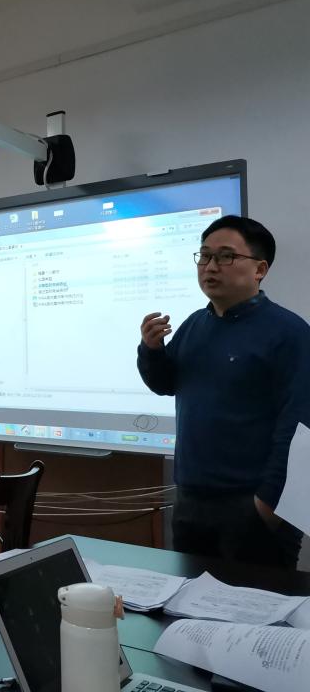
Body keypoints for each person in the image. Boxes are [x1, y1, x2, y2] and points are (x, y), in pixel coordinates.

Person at [137, 215, 310, 568]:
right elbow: (165, 384)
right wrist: (151, 351)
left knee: (254, 603)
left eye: (226, 256)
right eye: (204, 256)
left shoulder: (289, 333)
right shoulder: (195, 324)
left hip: (253, 505)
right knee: (189, 599)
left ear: (260, 269)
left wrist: (267, 506)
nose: (211, 266)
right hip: (191, 501)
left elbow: (300, 427)